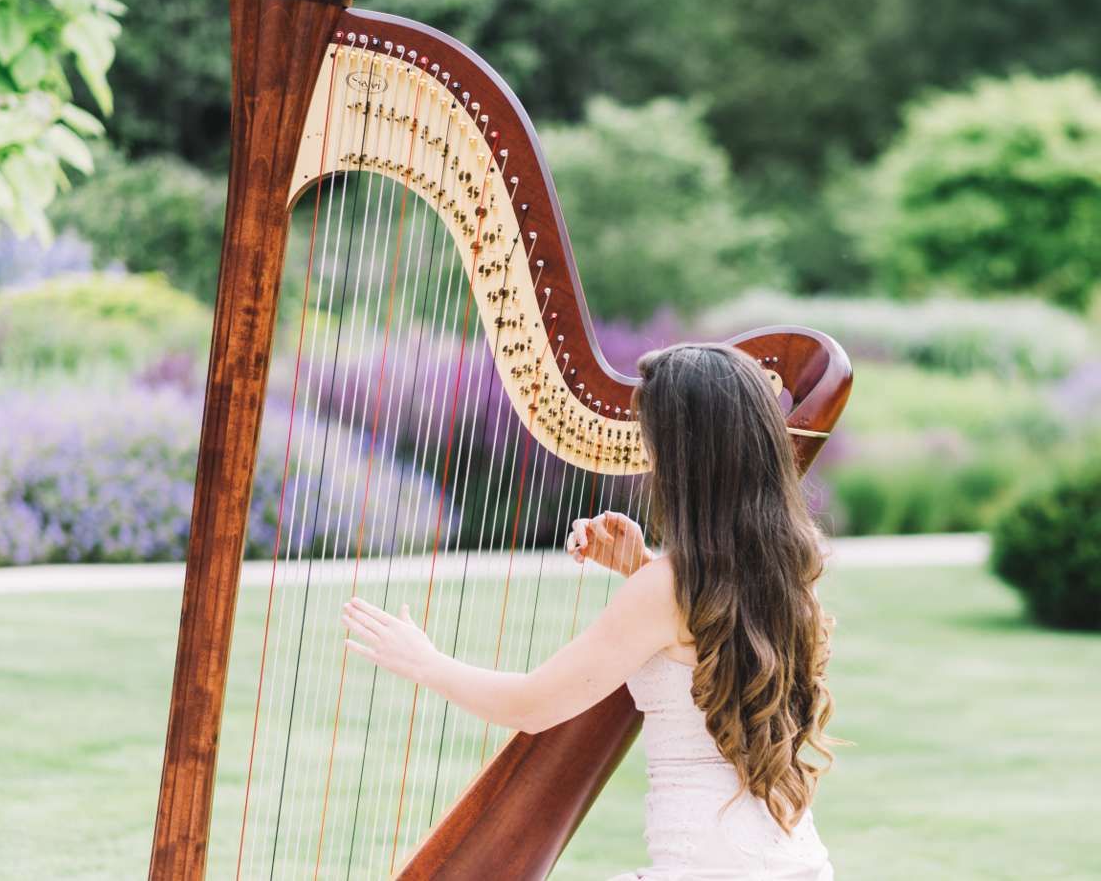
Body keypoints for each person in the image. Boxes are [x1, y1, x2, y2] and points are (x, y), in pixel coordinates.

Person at [342, 343, 836, 879]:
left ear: (684, 459)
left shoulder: (665, 590)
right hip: (793, 862)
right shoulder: (784, 568)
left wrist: (425, 663)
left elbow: (534, 706)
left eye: (653, 447)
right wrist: (640, 566)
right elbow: (706, 640)